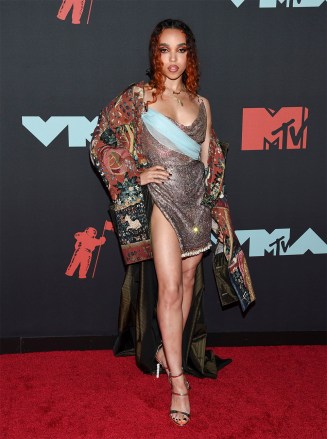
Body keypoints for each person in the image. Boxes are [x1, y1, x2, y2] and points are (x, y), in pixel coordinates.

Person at [90, 19, 255, 427]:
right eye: (164, 50)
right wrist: (133, 172)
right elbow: (99, 138)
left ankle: (168, 350)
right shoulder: (140, 97)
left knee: (184, 284)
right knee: (168, 287)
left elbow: (208, 161)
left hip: (196, 207)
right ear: (155, 54)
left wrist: (214, 207)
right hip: (162, 205)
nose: (172, 59)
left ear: (189, 54)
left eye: (180, 49)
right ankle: (179, 384)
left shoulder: (203, 104)